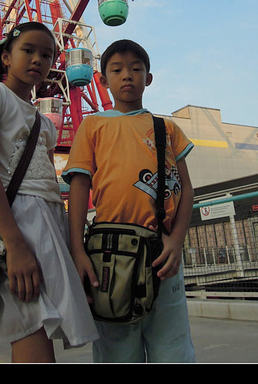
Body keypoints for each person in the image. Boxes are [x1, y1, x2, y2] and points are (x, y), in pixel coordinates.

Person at [0, 22, 98, 363]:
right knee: (30, 327)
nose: (38, 60)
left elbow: (47, 183)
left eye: (46, 55)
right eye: (28, 51)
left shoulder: (44, 122)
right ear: (6, 56)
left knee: (38, 330)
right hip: (14, 224)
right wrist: (15, 244)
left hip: (49, 223)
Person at [63, 39, 196, 363]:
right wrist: (77, 250)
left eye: (136, 69)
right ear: (103, 80)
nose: (127, 76)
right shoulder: (92, 125)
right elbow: (79, 187)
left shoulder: (167, 129)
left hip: (162, 251)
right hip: (109, 252)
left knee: (173, 349)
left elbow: (187, 190)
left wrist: (176, 240)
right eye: (117, 70)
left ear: (148, 78)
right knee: (117, 350)